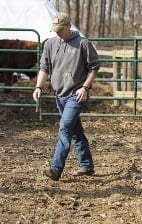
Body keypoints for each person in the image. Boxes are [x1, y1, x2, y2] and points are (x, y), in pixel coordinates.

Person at [33, 12, 100, 181]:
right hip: (59, 95)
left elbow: (93, 68)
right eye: (55, 30)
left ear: (69, 26)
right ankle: (87, 165)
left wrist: (85, 87)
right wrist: (38, 86)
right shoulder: (50, 44)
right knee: (75, 130)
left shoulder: (83, 44)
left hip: (76, 95)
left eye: (60, 30)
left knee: (65, 127)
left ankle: (56, 169)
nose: (57, 33)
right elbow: (44, 68)